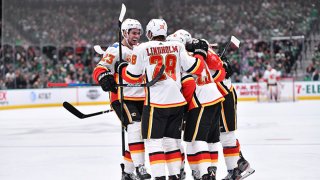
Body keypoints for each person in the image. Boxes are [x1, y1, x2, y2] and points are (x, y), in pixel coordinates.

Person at [119, 19, 208, 179]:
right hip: (177, 103)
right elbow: (196, 68)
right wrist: (201, 54)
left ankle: (160, 177)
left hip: (156, 104)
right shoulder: (178, 46)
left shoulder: (142, 48)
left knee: (154, 142)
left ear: (150, 33)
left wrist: (122, 68)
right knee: (171, 142)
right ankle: (174, 176)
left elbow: (132, 77)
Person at [92, 18, 151, 180]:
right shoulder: (116, 50)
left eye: (139, 33)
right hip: (122, 97)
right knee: (135, 128)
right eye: (133, 32)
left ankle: (127, 172)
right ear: (124, 33)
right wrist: (104, 76)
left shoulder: (141, 49)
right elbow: (100, 68)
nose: (136, 36)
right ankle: (140, 167)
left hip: (141, 97)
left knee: (139, 135)